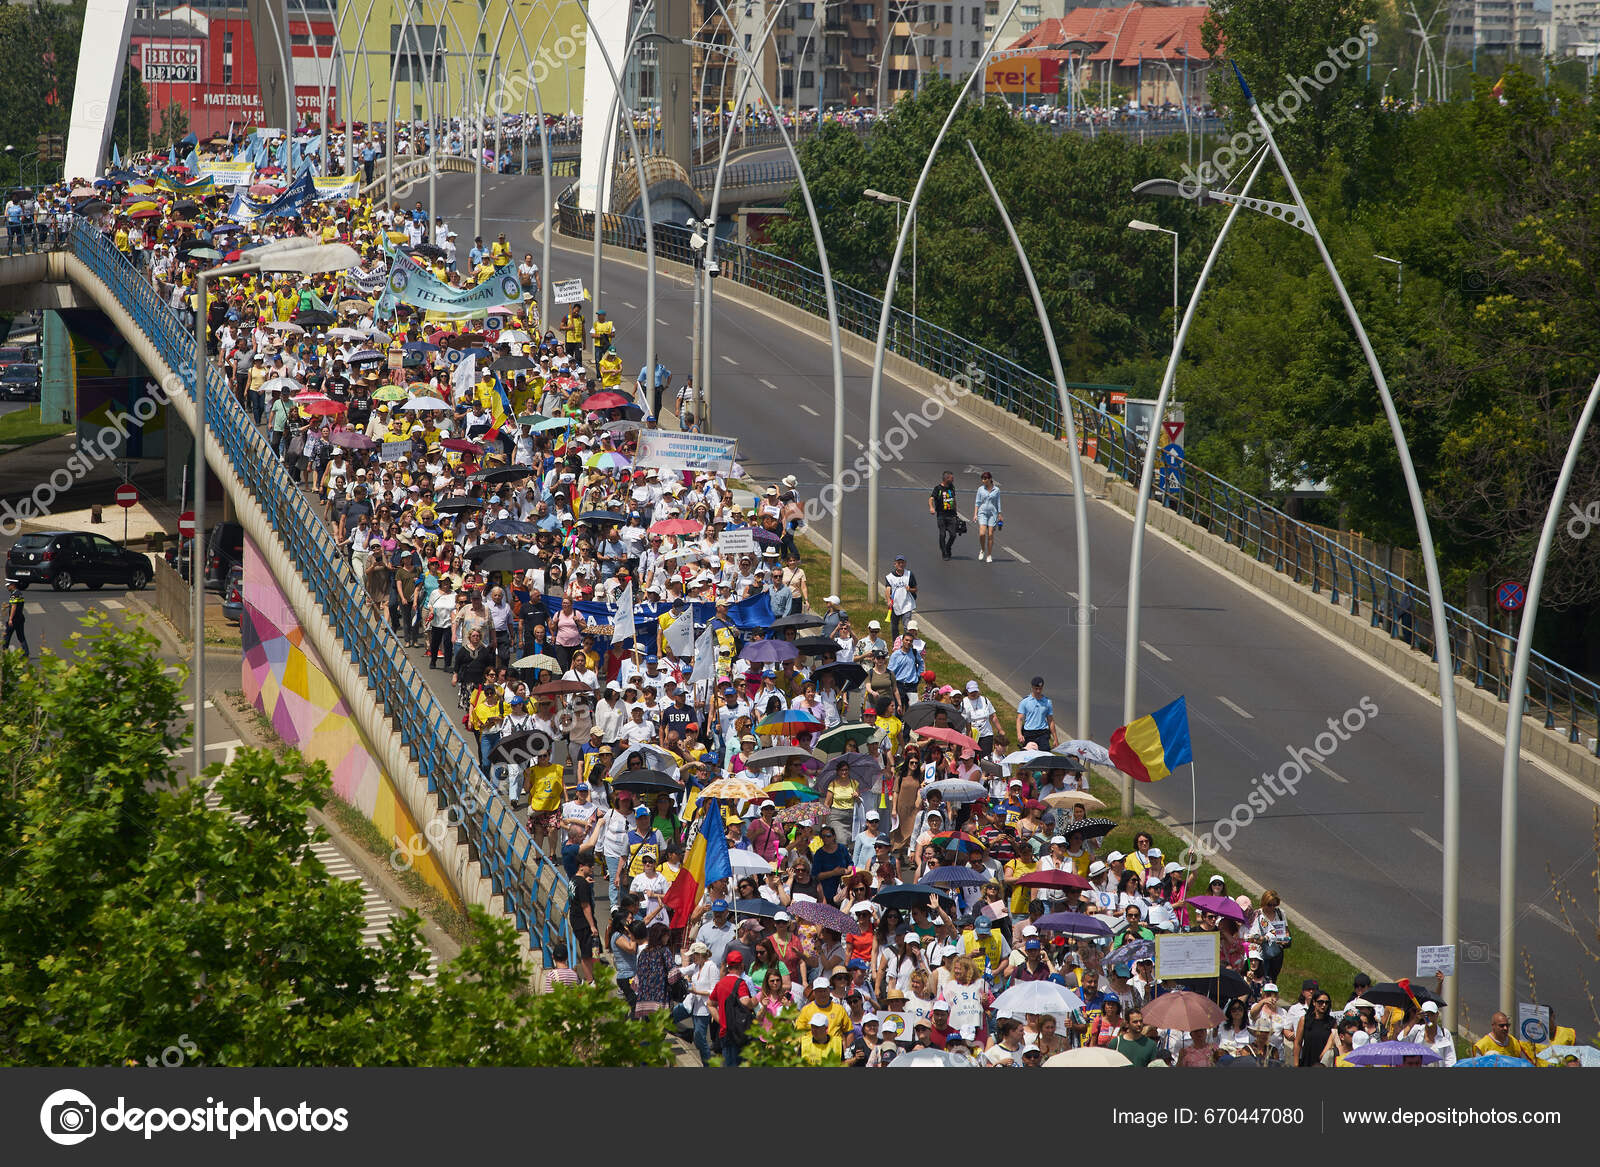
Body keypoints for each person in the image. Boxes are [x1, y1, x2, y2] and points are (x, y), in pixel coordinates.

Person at [711, 951, 755, 1066]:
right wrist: (755, 1000)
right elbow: (745, 1002)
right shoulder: (740, 983)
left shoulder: (720, 983)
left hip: (724, 1032)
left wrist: (720, 1020)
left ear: (728, 966)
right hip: (738, 1032)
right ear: (741, 966)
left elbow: (710, 1004)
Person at [1016, 675, 1058, 749]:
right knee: (1029, 758)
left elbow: (1050, 720)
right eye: (1036, 689)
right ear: (1032, 687)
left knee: (1045, 756)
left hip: (1042, 733)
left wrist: (1055, 738)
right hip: (1029, 733)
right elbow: (1019, 719)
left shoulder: (1047, 702)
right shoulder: (1025, 701)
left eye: (1040, 689)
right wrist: (1019, 734)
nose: (1038, 691)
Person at [882, 555, 917, 642]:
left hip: (907, 605)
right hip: (895, 605)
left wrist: (910, 589)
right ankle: (896, 644)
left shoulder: (909, 575)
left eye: (902, 563)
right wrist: (889, 600)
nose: (901, 564)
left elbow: (915, 589)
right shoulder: (890, 577)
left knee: (906, 626)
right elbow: (887, 589)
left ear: (905, 564)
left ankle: (908, 642)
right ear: (895, 564)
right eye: (899, 563)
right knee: (894, 626)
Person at [929, 469, 960, 560]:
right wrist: (931, 507)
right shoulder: (938, 489)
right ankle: (944, 552)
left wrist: (956, 512)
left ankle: (948, 547)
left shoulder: (952, 487)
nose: (953, 479)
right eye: (951, 478)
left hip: (951, 515)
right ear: (946, 478)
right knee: (942, 534)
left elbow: (954, 499)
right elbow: (931, 499)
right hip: (941, 515)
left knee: (953, 535)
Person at [972, 470, 1002, 563]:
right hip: (982, 513)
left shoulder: (996, 490)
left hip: (993, 514)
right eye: (982, 479)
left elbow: (998, 503)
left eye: (985, 479)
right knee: (982, 533)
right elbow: (977, 502)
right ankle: (982, 549)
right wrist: (975, 514)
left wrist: (1000, 514)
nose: (983, 481)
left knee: (990, 535)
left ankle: (989, 554)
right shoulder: (980, 489)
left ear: (990, 479)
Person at [4, 582, 28, 659]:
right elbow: (17, 603)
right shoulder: (19, 593)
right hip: (20, 618)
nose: (7, 588)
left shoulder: (14, 595)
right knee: (21, 636)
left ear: (13, 585)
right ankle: (26, 653)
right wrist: (8, 605)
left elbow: (14, 606)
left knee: (7, 636)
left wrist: (10, 619)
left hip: (14, 620)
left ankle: (4, 652)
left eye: (8, 586)